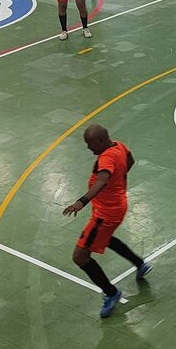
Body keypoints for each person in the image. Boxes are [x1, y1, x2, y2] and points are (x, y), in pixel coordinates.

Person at [62, 124, 152, 318]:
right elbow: (130, 160)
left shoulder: (106, 158)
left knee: (80, 257)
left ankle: (112, 293)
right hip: (118, 205)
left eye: (90, 143)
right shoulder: (119, 146)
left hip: (105, 214)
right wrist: (119, 179)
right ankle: (139, 263)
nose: (88, 147)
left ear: (101, 141)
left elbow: (102, 180)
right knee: (106, 238)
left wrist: (81, 201)